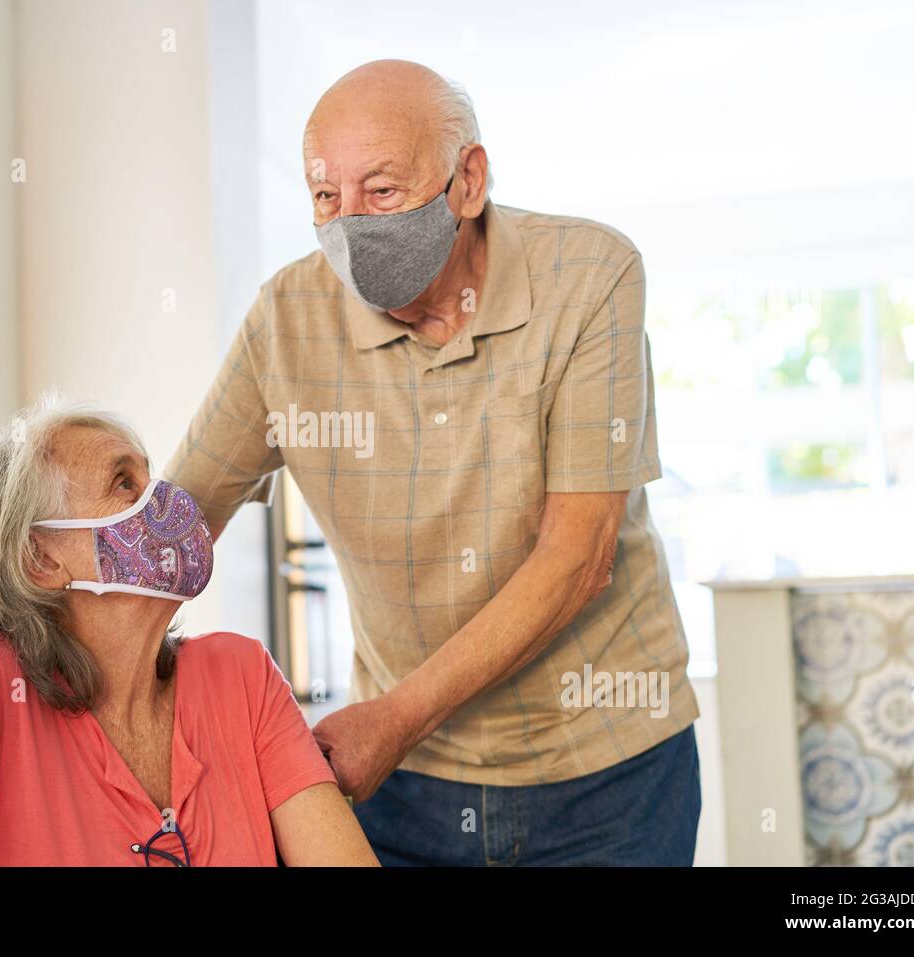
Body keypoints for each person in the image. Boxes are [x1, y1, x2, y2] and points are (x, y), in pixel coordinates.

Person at [163, 59, 702, 865]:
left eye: (381, 192)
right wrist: (16, 622)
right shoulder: (288, 318)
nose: (349, 224)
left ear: (468, 179)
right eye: (325, 197)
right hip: (404, 790)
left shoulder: (591, 275)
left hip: (606, 773)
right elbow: (177, 523)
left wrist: (397, 716)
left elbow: (578, 557)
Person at [0, 394, 378, 866]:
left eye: (148, 474)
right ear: (41, 559)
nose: (166, 502)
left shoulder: (242, 675)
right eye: (123, 482)